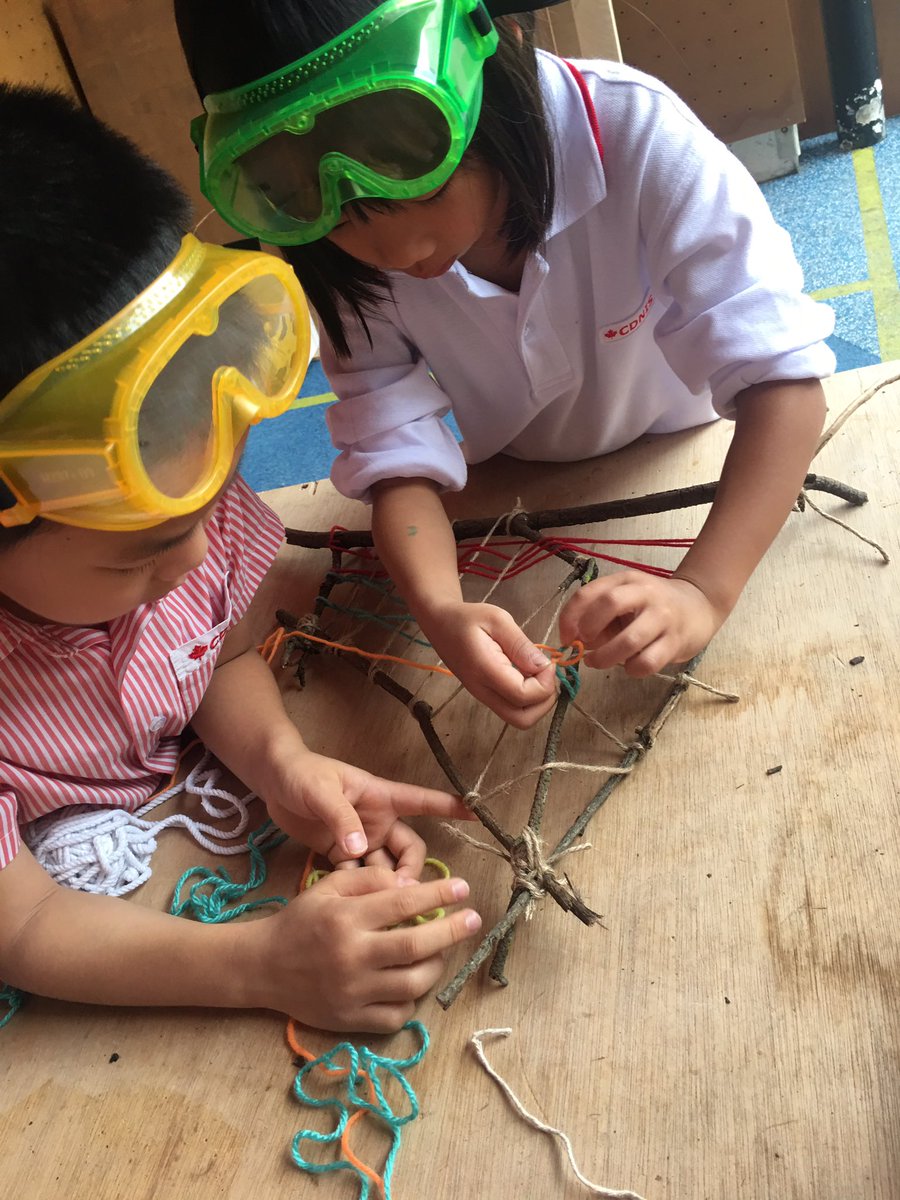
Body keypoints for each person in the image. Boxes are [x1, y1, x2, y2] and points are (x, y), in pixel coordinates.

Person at [176, 0, 836, 731]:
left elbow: (784, 380)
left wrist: (705, 591)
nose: (392, 253)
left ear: (497, 43)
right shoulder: (333, 254)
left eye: (415, 179)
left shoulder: (637, 134)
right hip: (516, 482)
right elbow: (396, 453)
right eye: (323, 208)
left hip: (702, 454)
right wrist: (440, 607)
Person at [0, 83, 481, 1034]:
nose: (190, 565)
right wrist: (260, 965)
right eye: (133, 562)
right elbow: (26, 924)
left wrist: (279, 760)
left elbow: (214, 653)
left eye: (212, 505)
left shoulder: (179, 505)